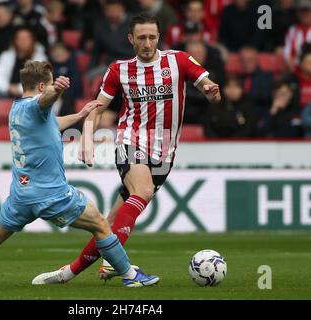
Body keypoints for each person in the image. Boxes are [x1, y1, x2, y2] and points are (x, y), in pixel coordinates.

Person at [0, 60, 159, 288]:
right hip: (51, 194)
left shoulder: (16, 109)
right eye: (48, 84)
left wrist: (80, 115)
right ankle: (129, 276)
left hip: (20, 196)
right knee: (102, 225)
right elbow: (45, 100)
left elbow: (52, 123)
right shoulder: (36, 106)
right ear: (41, 85)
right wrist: (58, 88)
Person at [34, 12, 220, 283]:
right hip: (130, 141)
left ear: (159, 37)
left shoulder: (177, 60)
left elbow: (208, 87)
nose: (147, 43)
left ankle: (69, 272)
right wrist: (87, 137)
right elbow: (98, 109)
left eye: (152, 37)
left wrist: (211, 91)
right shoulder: (119, 70)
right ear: (131, 39)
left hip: (164, 153)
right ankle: (128, 273)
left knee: (108, 223)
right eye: (141, 37)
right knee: (142, 190)